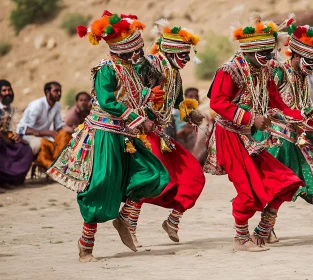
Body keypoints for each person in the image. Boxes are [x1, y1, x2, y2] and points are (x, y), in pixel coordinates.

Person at [47, 11, 169, 262]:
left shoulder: (128, 67)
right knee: (101, 187)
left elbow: (131, 94)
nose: (138, 54)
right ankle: (86, 244)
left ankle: (124, 219)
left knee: (155, 174)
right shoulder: (106, 69)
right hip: (105, 134)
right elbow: (107, 101)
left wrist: (149, 98)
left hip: (126, 134)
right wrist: (139, 119)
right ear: (122, 50)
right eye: (135, 49)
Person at [204, 14, 304, 252]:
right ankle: (241, 239)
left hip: (250, 137)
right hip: (229, 135)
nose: (270, 58)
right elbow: (217, 102)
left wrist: (303, 120)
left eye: (271, 54)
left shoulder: (264, 70)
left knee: (286, 180)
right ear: (250, 50)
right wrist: (250, 118)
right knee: (247, 191)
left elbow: (276, 101)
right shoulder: (229, 71)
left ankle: (263, 230)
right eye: (265, 54)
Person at [117, 19, 206, 247]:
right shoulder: (152, 64)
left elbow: (177, 102)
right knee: (153, 177)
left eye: (188, 55)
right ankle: (128, 222)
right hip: (142, 132)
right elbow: (134, 84)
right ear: (170, 51)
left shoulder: (175, 74)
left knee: (194, 176)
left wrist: (190, 113)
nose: (186, 60)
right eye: (183, 55)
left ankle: (172, 222)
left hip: (161, 134)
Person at [254, 23, 313, 239]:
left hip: (299, 138)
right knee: (278, 185)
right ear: (294, 55)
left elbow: (306, 114)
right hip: (276, 138)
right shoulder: (278, 71)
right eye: (309, 61)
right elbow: (265, 102)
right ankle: (265, 228)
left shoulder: (304, 79)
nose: (312, 66)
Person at [16, 81, 64, 160]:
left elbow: (58, 126)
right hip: (29, 137)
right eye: (56, 91)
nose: (59, 94)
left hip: (44, 136)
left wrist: (64, 135)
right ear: (47, 92)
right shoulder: (37, 106)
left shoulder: (57, 105)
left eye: (60, 91)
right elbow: (22, 129)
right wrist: (48, 133)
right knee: (45, 145)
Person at [0, 80, 33, 191]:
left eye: (9, 90)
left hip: (7, 139)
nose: (7, 93)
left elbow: (12, 128)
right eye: (4, 90)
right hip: (1, 140)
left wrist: (17, 136)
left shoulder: (11, 109)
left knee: (25, 149)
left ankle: (12, 180)